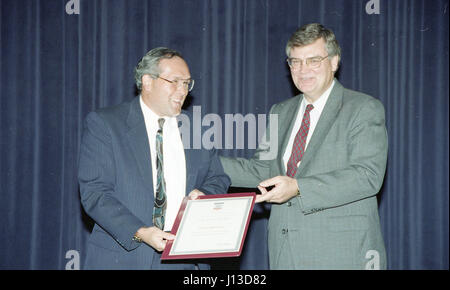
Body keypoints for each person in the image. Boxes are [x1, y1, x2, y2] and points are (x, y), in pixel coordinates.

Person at [220, 23, 388, 269]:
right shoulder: (280, 111)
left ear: (334, 62)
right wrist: (203, 163)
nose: (303, 70)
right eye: (295, 62)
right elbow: (261, 170)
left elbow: (367, 176)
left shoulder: (363, 108)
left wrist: (298, 187)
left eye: (314, 60)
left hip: (341, 253)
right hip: (284, 252)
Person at [78, 47, 230, 269]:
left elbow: (218, 178)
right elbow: (95, 192)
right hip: (124, 256)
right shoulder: (106, 124)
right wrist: (140, 232)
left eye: (187, 83)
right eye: (174, 81)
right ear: (147, 81)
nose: (183, 90)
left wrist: (205, 195)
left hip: (183, 259)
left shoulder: (198, 127)